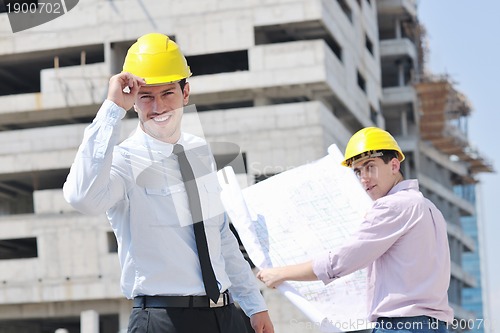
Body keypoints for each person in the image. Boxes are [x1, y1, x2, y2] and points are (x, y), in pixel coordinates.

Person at [63, 33, 274, 333]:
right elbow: (80, 197)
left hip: (226, 317)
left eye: (167, 94)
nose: (158, 106)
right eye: (146, 96)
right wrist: (112, 107)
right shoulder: (123, 161)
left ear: (185, 93)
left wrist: (255, 306)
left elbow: (221, 237)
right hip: (163, 320)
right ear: (133, 101)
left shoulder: (200, 152)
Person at [257, 127, 454, 332]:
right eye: (358, 171)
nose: (364, 178)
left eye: (370, 167)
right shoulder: (430, 208)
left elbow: (341, 261)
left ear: (394, 165)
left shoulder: (392, 206)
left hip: (401, 326)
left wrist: (281, 273)